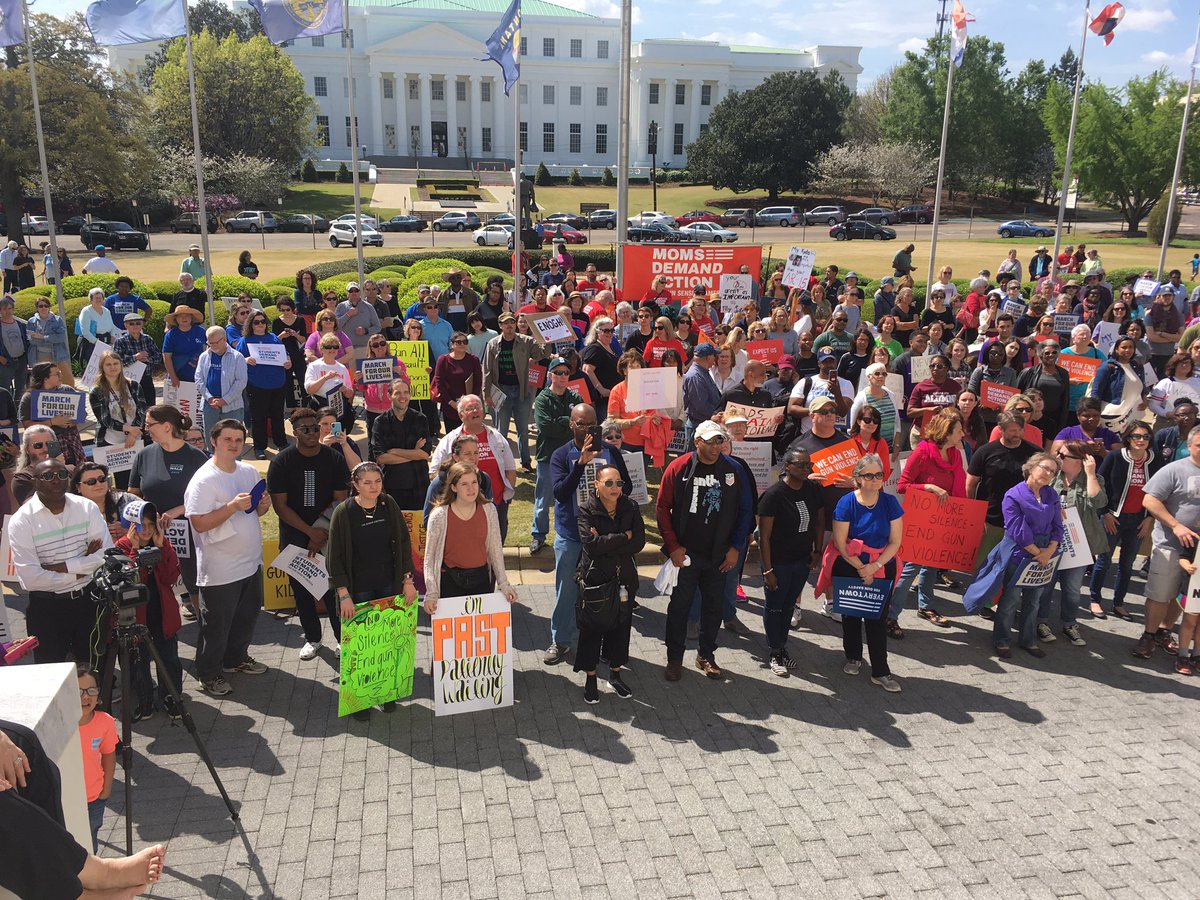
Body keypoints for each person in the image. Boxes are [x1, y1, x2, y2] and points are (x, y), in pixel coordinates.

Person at [656, 420, 753, 682]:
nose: (715, 446)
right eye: (710, 441)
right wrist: (673, 547)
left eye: (720, 441)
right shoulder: (679, 467)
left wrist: (735, 548)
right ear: (697, 442)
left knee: (713, 608)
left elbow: (746, 511)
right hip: (686, 556)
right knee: (680, 608)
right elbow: (663, 507)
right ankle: (674, 658)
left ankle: (706, 655)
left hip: (719, 555)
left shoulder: (734, 470)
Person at [184, 418, 273, 697]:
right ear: (214, 441)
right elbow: (198, 523)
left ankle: (236, 659)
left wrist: (263, 507)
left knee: (246, 617)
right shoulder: (203, 479)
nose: (234, 445)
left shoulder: (247, 471)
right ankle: (208, 674)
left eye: (238, 440)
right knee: (216, 626)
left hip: (250, 561)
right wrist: (231, 506)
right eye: (227, 440)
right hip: (220, 568)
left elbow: (255, 513)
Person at [326, 461, 418, 719]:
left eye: (377, 481)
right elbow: (335, 558)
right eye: (367, 482)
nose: (373, 487)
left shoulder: (389, 505)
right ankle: (360, 700)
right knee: (360, 647)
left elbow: (402, 542)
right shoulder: (343, 513)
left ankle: (386, 692)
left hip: (388, 585)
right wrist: (343, 595)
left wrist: (407, 581)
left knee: (387, 642)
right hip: (358, 590)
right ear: (355, 485)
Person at [544, 404, 632, 666]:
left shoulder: (612, 451)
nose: (587, 429)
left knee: (605, 591)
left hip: (605, 536)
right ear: (571, 425)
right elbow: (560, 493)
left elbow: (626, 486)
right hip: (571, 535)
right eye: (581, 424)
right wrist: (580, 464)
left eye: (592, 424)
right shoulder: (561, 454)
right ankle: (561, 641)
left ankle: (604, 646)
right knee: (568, 590)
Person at [9, 459, 112, 664]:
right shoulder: (21, 521)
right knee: (52, 673)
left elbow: (105, 557)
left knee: (94, 668)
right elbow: (31, 580)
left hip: (89, 602)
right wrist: (82, 567)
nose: (56, 480)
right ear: (35, 482)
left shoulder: (86, 507)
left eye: (62, 474)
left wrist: (58, 568)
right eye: (48, 476)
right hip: (47, 609)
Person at [268, 407, 350, 660]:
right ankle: (313, 639)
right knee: (302, 593)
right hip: (295, 537)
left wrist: (320, 534)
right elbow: (280, 505)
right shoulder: (281, 461)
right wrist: (309, 533)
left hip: (328, 537)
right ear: (295, 432)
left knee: (333, 590)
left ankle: (342, 640)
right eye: (305, 429)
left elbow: (341, 500)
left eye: (316, 428)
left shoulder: (334, 459)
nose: (312, 433)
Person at [825, 454, 904, 691]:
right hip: (850, 563)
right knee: (850, 615)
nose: (874, 479)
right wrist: (861, 567)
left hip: (880, 564)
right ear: (857, 478)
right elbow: (840, 542)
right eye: (868, 475)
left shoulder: (890, 503)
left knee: (877, 620)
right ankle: (853, 657)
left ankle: (881, 671)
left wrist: (875, 566)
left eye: (878, 475)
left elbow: (895, 542)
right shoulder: (846, 502)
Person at [885, 407, 966, 636]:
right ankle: (891, 616)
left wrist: (963, 517)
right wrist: (927, 487)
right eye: (959, 430)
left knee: (932, 564)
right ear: (946, 432)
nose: (963, 434)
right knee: (910, 569)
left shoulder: (955, 455)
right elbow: (902, 485)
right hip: (919, 521)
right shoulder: (922, 452)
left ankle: (926, 606)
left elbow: (958, 490)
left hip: (942, 519)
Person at [574, 464, 643, 703]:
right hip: (596, 581)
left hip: (624, 580)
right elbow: (591, 546)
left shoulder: (630, 507)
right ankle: (590, 677)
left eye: (619, 483)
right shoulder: (586, 510)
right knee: (592, 630)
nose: (615, 488)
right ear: (597, 485)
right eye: (609, 483)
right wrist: (624, 536)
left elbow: (639, 543)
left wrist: (604, 540)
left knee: (621, 627)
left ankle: (615, 674)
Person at [985, 453, 1063, 658]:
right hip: (1020, 552)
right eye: (1045, 468)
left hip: (1046, 551)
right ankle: (1002, 640)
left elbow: (1057, 525)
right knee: (1011, 598)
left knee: (1034, 599)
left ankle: (1028, 640)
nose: (1048, 474)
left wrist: (1050, 550)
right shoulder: (1013, 495)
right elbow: (1018, 530)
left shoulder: (1051, 495)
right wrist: (1039, 553)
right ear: (1031, 467)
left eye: (1053, 472)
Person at [113, 500, 185, 721]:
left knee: (169, 660)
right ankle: (145, 703)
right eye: (140, 524)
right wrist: (135, 552)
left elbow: (170, 577)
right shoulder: (121, 547)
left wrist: (162, 548)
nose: (146, 530)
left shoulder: (162, 543)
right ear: (129, 525)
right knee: (138, 663)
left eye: (150, 524)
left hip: (162, 615)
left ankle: (172, 698)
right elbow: (131, 583)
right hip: (136, 619)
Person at [1032, 441, 1106, 648]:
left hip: (1078, 545)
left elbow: (1099, 502)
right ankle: (1041, 622)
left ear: (1080, 460)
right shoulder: (1053, 476)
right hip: (1051, 541)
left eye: (1063, 456)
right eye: (1058, 454)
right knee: (1045, 585)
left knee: (1072, 588)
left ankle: (1069, 624)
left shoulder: (1094, 479)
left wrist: (1090, 474)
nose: (1058, 459)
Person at [1135, 425, 1200, 660]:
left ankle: (1164, 631)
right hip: (1170, 544)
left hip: (1198, 552)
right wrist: (1176, 525)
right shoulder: (1173, 470)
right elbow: (1150, 500)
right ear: (1190, 446)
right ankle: (1148, 635)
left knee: (1182, 594)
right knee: (1160, 593)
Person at [758, 448, 824, 674]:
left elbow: (819, 521)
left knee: (788, 606)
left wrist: (817, 550)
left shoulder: (814, 489)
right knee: (775, 607)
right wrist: (768, 571)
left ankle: (782, 645)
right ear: (787, 466)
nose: (808, 469)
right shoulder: (774, 495)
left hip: (801, 561)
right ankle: (774, 652)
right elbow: (764, 537)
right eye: (802, 465)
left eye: (810, 465)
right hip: (779, 563)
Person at [422, 462, 516, 608]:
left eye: (474, 482)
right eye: (464, 484)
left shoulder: (489, 510)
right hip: (450, 581)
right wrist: (432, 593)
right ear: (453, 487)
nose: (471, 488)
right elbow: (430, 557)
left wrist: (504, 583)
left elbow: (495, 549)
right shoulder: (439, 515)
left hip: (481, 580)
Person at [1091, 423, 1158, 619]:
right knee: (1104, 561)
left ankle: (1118, 603)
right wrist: (1105, 513)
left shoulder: (1155, 460)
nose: (1141, 440)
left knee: (1127, 564)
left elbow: (1160, 491)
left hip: (1139, 520)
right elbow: (1098, 483)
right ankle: (1095, 600)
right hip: (1113, 517)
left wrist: (1150, 518)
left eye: (1146, 437)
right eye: (1137, 436)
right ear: (1128, 437)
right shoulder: (1115, 456)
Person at [428, 394, 514, 538]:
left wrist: (505, 498)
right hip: (462, 508)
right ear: (461, 415)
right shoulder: (450, 440)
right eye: (470, 408)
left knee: (496, 546)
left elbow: (510, 469)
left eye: (478, 407)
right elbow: (434, 472)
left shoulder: (497, 438)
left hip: (496, 504)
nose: (475, 411)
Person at [966, 410, 1043, 569]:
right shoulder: (985, 452)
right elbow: (971, 482)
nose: (1018, 434)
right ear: (1001, 430)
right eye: (1013, 431)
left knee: (1012, 568)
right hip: (991, 520)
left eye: (1020, 430)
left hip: (1022, 521)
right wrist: (973, 511)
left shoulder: (1035, 454)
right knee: (984, 567)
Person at [530, 356, 584, 555]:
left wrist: (560, 422)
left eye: (566, 373)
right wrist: (567, 422)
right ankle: (538, 535)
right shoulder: (542, 398)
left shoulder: (575, 398)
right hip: (548, 456)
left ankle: (577, 532)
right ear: (550, 374)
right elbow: (545, 427)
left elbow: (581, 427)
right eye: (558, 372)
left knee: (575, 498)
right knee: (543, 500)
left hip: (573, 456)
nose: (562, 376)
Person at [482, 311, 549, 471]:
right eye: (506, 323)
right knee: (501, 431)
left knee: (523, 430)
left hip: (522, 391)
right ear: (500, 326)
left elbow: (542, 354)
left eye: (512, 322)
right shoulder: (492, 343)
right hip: (502, 391)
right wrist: (486, 394)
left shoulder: (526, 341)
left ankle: (525, 462)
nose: (509, 326)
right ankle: (501, 463)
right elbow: (487, 370)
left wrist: (547, 340)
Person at [369, 377, 431, 511]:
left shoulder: (420, 419)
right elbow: (381, 458)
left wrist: (395, 451)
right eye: (397, 393)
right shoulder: (380, 422)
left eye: (405, 392)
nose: (402, 396)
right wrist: (414, 453)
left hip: (419, 487)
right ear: (389, 395)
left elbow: (424, 454)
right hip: (391, 488)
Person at [236, 308, 290, 458]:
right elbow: (237, 359)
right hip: (257, 385)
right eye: (256, 322)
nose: (260, 324)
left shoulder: (274, 338)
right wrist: (246, 360)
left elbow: (285, 355)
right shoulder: (245, 340)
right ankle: (259, 447)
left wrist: (288, 362)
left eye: (263, 321)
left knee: (277, 416)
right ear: (251, 324)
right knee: (258, 418)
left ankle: (282, 443)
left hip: (277, 383)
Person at [88, 351, 146, 488]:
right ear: (102, 367)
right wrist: (128, 429)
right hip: (111, 440)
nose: (112, 367)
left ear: (121, 365)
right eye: (108, 364)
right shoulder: (96, 391)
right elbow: (104, 419)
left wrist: (133, 433)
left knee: (139, 478)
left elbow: (142, 411)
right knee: (121, 481)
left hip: (135, 439)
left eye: (115, 363)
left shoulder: (134, 385)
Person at [76, 664, 117, 852]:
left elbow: (109, 754)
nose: (85, 696)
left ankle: (92, 880)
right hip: (68, 799)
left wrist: (106, 789)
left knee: (91, 840)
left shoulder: (105, 721)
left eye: (91, 690)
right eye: (78, 691)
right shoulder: (60, 725)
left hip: (94, 798)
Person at [19, 362, 85, 467]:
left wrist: (70, 422)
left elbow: (82, 413)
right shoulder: (29, 397)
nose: (61, 376)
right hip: (47, 445)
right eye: (57, 374)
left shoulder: (67, 390)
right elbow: (27, 426)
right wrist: (52, 422)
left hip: (71, 440)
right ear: (45, 379)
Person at [193, 326, 248, 452]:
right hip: (209, 405)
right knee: (211, 440)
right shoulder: (204, 356)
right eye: (209, 343)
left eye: (215, 342)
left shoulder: (237, 357)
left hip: (232, 406)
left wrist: (225, 400)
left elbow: (241, 382)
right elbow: (198, 378)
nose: (212, 346)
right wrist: (209, 398)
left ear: (224, 339)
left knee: (233, 442)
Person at [1088, 336, 1148, 433]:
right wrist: (1094, 414)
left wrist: (1145, 400)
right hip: (1110, 415)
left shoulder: (1137, 366)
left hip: (1131, 414)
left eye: (1131, 347)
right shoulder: (1107, 367)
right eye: (1124, 347)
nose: (1128, 350)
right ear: (1116, 349)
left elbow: (1143, 387)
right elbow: (1096, 392)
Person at [1017, 342, 1071, 443]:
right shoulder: (1028, 372)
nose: (1051, 355)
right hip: (1031, 417)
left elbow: (1065, 397)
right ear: (1040, 355)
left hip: (1054, 419)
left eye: (1054, 352)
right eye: (1047, 353)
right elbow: (1017, 395)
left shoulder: (1063, 373)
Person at [431, 331, 483, 432]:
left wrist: (472, 402)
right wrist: (451, 403)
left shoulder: (474, 360)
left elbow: (478, 382)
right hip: (450, 406)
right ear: (452, 344)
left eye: (465, 341)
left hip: (470, 408)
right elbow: (439, 383)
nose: (462, 344)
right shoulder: (443, 360)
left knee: (471, 437)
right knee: (453, 439)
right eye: (458, 342)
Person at [304, 334, 356, 433]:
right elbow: (309, 390)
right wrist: (325, 378)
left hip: (337, 407)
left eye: (335, 347)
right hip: (319, 406)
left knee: (337, 437)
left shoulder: (342, 368)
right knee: (317, 436)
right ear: (321, 349)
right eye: (328, 347)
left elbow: (350, 393)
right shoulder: (314, 366)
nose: (332, 349)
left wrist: (345, 390)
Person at [850, 363, 901, 447]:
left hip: (890, 447)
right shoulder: (861, 398)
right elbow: (852, 425)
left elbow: (897, 422)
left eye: (884, 374)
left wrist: (897, 445)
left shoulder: (891, 395)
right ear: (868, 377)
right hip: (868, 447)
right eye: (877, 374)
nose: (881, 376)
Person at [26, 295, 72, 389]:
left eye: (46, 305)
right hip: (39, 356)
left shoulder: (57, 320)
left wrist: (43, 337)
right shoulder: (31, 322)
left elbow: (61, 337)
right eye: (40, 306)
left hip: (58, 355)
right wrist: (51, 339)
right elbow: (31, 340)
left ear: (49, 307)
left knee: (67, 381)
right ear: (37, 308)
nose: (43, 308)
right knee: (43, 382)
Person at [113, 311, 158, 406]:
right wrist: (135, 357)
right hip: (128, 381)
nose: (135, 326)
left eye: (138, 323)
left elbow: (158, 357)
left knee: (150, 407)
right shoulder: (120, 341)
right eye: (131, 323)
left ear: (142, 324)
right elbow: (116, 362)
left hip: (147, 379)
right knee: (131, 409)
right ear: (126, 325)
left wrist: (148, 359)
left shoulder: (148, 339)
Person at [270, 296, 309, 406]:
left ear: (292, 308)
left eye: (288, 309)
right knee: (287, 383)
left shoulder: (300, 320)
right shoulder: (277, 321)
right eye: (282, 310)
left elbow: (304, 339)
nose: (286, 312)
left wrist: (295, 334)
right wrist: (282, 335)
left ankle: (307, 405)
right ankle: (292, 408)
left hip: (298, 354)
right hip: (283, 355)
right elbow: (274, 341)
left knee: (303, 380)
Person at [162, 304, 206, 396]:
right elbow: (167, 357)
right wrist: (173, 377)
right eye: (180, 316)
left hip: (198, 374)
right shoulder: (170, 335)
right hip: (178, 374)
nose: (184, 318)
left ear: (192, 317)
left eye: (187, 315)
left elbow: (207, 351)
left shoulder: (201, 332)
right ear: (176, 319)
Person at [335, 283, 382, 363]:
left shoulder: (369, 307)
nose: (354, 293)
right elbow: (336, 326)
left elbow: (378, 327)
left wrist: (366, 331)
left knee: (363, 374)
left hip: (364, 348)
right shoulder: (341, 306)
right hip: (346, 350)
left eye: (356, 290)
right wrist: (348, 315)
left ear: (360, 293)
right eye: (351, 291)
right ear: (347, 293)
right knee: (349, 375)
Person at [0, 295, 31, 401]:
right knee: (4, 391)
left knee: (21, 390)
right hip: (5, 363)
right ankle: (5, 414)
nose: (7, 311)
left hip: (21, 361)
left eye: (9, 308)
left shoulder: (20, 324)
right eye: (4, 309)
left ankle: (18, 413)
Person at [76, 288, 115, 364]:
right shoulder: (86, 311)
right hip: (91, 343)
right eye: (96, 298)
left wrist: (112, 336)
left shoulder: (106, 311)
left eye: (100, 298)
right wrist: (97, 343)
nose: (98, 300)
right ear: (91, 299)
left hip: (106, 341)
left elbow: (112, 326)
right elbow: (85, 331)